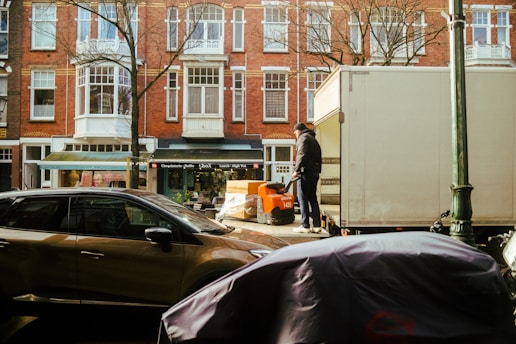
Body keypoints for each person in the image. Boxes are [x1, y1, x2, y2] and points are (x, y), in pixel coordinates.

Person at [292, 123, 323, 233]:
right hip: (315, 173)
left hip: (305, 173)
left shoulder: (303, 138)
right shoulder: (313, 139)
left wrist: (296, 170)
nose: (295, 135)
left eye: (295, 132)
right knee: (312, 198)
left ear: (299, 130)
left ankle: (305, 226)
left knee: (303, 199)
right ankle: (317, 225)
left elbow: (302, 154)